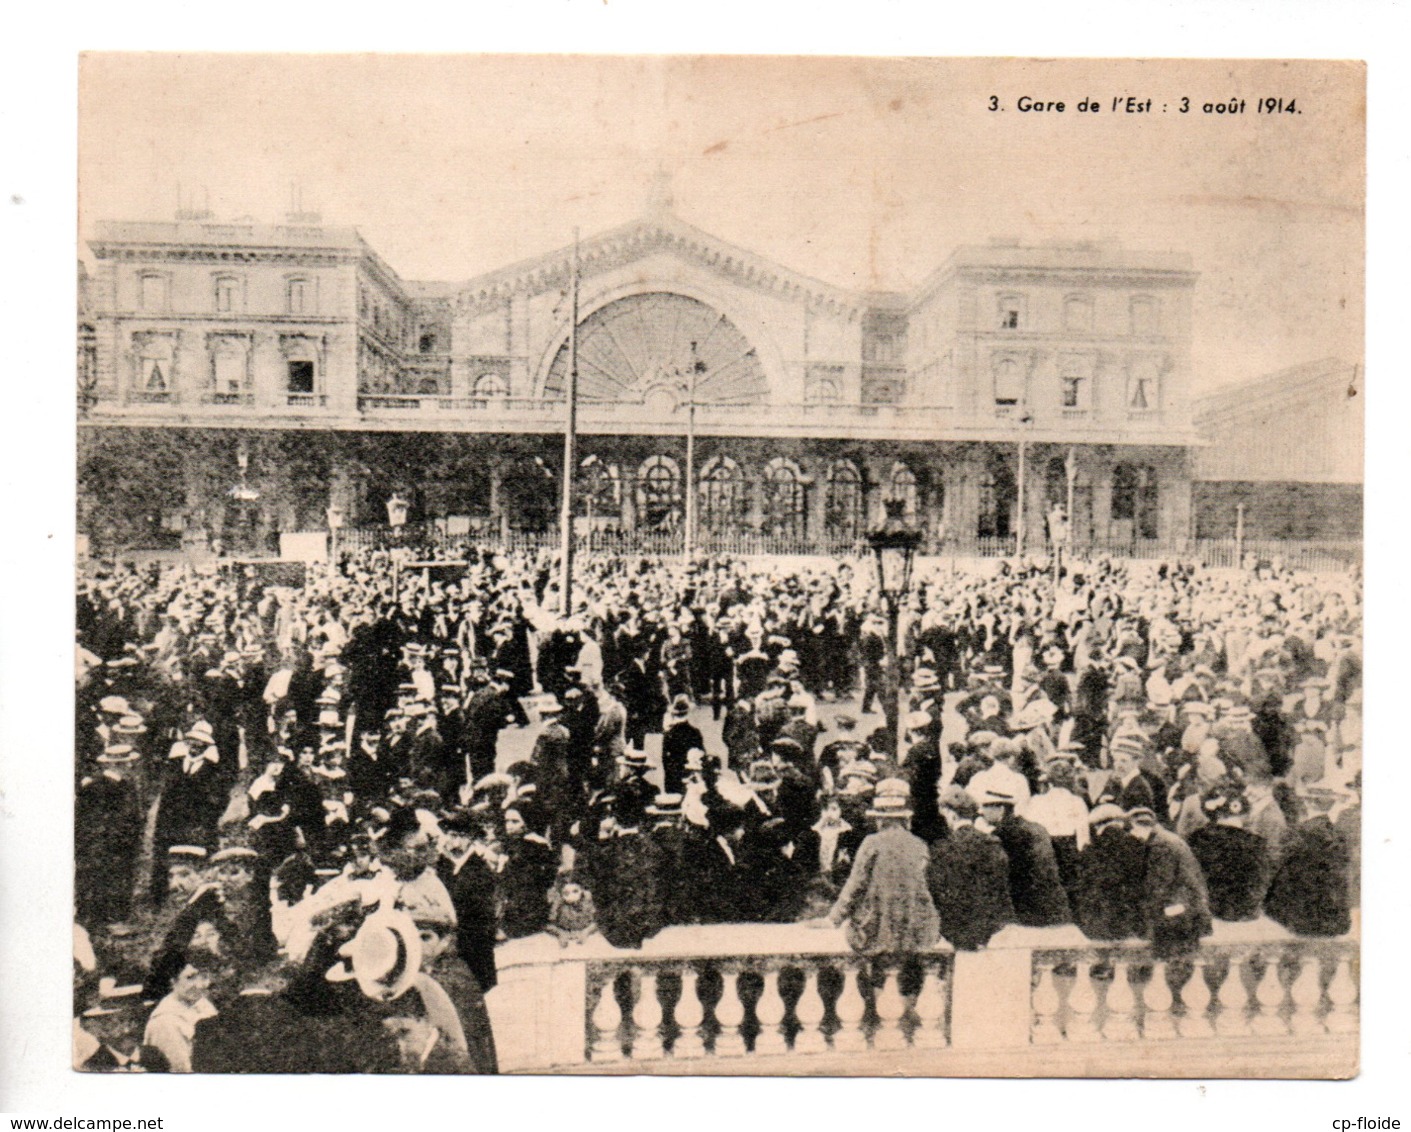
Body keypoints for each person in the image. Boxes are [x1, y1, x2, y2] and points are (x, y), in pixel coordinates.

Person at [817, 779, 939, 960]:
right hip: (916, 935)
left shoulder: (871, 843)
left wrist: (833, 919)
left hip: (877, 933)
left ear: (880, 819)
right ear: (906, 818)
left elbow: (855, 885)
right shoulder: (919, 845)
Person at [927, 786, 1013, 950]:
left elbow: (935, 889)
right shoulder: (992, 843)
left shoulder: (943, 848)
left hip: (954, 929)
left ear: (951, 814)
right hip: (987, 928)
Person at [1128, 806, 1213, 959]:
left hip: (1182, 912)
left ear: (1137, 827)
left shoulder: (1160, 845)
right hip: (1188, 906)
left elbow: (1159, 886)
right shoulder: (1165, 838)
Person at [978, 789, 1071, 927]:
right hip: (1053, 905)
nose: (981, 812)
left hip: (1026, 909)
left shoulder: (1001, 834)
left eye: (986, 806)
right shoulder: (1036, 828)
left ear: (1001, 809)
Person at [143, 950, 222, 1073]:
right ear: (172, 981)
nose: (199, 984)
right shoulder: (165, 1021)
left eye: (203, 977)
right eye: (190, 978)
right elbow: (181, 1069)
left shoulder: (202, 1004)